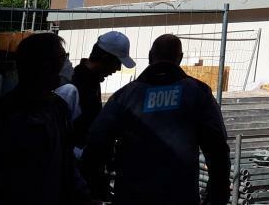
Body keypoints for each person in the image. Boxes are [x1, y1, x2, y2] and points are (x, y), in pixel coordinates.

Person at [82, 33, 230, 205]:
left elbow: (95, 143)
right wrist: (216, 197)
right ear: (179, 58)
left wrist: (92, 190)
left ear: (150, 56)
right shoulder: (198, 93)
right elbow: (218, 150)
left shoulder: (124, 97)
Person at [0, 33, 91, 205]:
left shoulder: (58, 108)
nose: (66, 64)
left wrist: (83, 196)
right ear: (44, 66)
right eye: (61, 58)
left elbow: (67, 162)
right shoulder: (7, 112)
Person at [69, 30, 135, 148]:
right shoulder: (78, 85)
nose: (118, 69)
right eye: (117, 63)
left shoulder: (90, 80)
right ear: (105, 59)